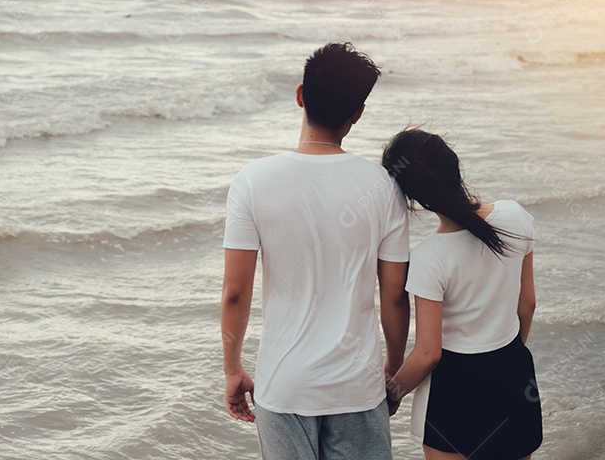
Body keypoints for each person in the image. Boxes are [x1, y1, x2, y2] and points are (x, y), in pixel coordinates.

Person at [220, 42, 411, 460]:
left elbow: (236, 292)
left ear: (300, 95)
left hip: (285, 385)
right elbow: (395, 295)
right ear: (357, 114)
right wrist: (393, 370)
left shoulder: (253, 181)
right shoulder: (382, 186)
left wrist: (233, 369)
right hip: (357, 386)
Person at [382, 129, 542, 460]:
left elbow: (428, 354)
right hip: (512, 371)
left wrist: (391, 394)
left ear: (415, 199)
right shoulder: (516, 216)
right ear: (454, 166)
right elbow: (527, 305)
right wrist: (508, 359)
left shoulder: (430, 257)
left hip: (455, 388)